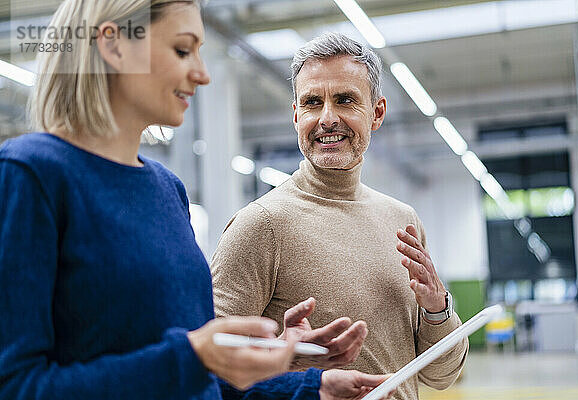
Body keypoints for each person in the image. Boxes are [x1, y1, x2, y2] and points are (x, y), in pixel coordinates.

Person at [0, 2, 393, 399]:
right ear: (115, 47)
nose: (202, 74)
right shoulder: (31, 175)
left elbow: (200, 377)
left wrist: (307, 383)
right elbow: (16, 386)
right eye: (183, 50)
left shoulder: (166, 190)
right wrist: (195, 358)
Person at [211, 32, 469, 399]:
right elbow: (212, 370)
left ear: (377, 112)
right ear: (296, 114)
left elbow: (441, 376)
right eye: (313, 102)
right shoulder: (262, 224)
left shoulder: (402, 219)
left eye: (345, 100)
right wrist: (285, 360)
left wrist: (436, 309)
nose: (327, 118)